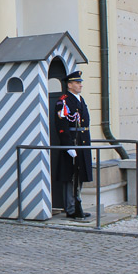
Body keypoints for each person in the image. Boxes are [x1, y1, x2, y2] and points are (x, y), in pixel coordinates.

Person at [54, 69, 93, 220]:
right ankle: (71, 209)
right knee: (70, 177)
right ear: (69, 85)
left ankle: (78, 205)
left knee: (79, 176)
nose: (80, 85)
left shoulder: (80, 99)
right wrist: (68, 145)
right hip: (73, 142)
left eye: (80, 82)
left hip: (82, 142)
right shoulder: (63, 100)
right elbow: (62, 125)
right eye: (77, 83)